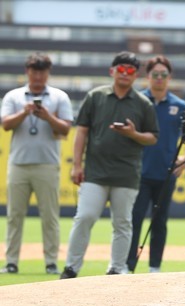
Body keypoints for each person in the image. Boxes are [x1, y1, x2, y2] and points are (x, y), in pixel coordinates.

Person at [60, 51, 159, 279]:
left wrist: (134, 133)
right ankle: (71, 267)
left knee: (123, 223)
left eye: (130, 71)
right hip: (95, 172)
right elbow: (81, 131)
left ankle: (116, 268)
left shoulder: (143, 103)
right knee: (84, 217)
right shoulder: (95, 96)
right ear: (112, 71)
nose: (125, 74)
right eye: (121, 69)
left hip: (126, 173)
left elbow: (153, 137)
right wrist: (77, 165)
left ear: (136, 75)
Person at [126, 55, 185, 273]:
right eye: (155, 74)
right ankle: (128, 266)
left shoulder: (178, 105)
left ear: (169, 77)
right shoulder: (139, 101)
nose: (159, 79)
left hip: (166, 172)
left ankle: (155, 267)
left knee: (159, 222)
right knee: (135, 219)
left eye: (163, 75)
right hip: (140, 171)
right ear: (148, 76)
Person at [0, 52, 73, 275]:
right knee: (14, 216)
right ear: (27, 72)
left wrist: (47, 116)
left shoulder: (59, 96)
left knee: (50, 216)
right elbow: (5, 124)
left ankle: (51, 262)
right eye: (34, 71)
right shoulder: (14, 96)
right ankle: (11, 261)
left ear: (48, 73)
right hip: (19, 164)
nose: (38, 75)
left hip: (47, 164)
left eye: (42, 71)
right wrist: (24, 112)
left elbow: (66, 128)